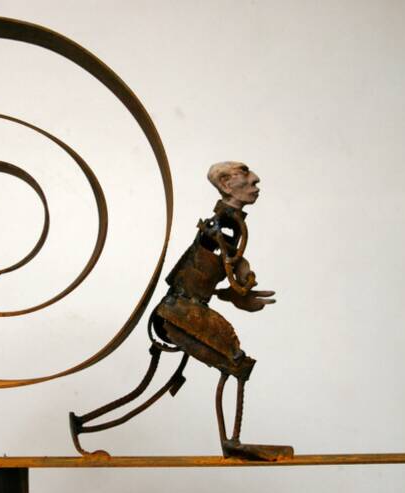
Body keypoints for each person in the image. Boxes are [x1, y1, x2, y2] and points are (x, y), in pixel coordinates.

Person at [70, 162, 293, 461]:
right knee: (235, 364)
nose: (255, 180)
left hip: (180, 309)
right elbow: (224, 261)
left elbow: (218, 264)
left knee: (152, 384)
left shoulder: (229, 226)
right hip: (181, 311)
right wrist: (239, 287)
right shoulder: (224, 224)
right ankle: (232, 442)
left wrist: (236, 288)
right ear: (227, 184)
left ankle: (83, 425)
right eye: (245, 174)